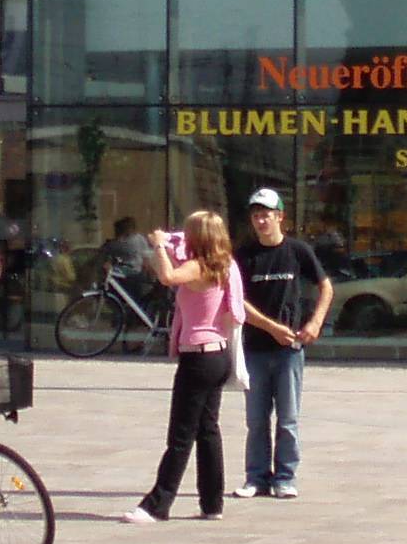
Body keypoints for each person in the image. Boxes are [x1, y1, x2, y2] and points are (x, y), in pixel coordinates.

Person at [124, 211, 243, 526]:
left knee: (181, 435)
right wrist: (168, 244)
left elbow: (167, 277)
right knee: (208, 430)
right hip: (217, 354)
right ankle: (212, 502)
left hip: (198, 357)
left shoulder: (198, 267)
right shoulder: (225, 265)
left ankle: (156, 505)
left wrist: (161, 246)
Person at [232, 188, 329, 499]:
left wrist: (314, 323)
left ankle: (285, 478)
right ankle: (256, 477)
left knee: (287, 419)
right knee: (256, 420)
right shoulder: (244, 256)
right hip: (255, 349)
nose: (261, 220)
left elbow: (326, 287)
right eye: (256, 215)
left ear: (280, 216)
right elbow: (237, 302)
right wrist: (271, 327)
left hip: (290, 351)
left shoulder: (297, 251)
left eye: (267, 214)